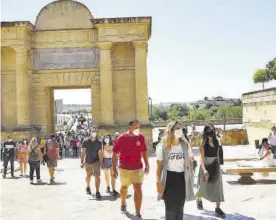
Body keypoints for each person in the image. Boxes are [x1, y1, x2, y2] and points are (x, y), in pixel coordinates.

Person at [156, 121, 194, 220]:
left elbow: (191, 160)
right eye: (177, 128)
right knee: (170, 210)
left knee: (180, 208)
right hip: (169, 179)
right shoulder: (163, 147)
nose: (180, 130)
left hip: (182, 179)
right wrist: (158, 182)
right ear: (170, 130)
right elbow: (159, 166)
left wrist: (189, 174)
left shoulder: (185, 145)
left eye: (180, 128)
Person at [112, 120, 149, 219]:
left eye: (138, 127)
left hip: (137, 168)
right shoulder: (121, 138)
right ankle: (123, 202)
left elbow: (144, 151)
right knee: (124, 188)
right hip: (124, 169)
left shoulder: (140, 137)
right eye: (135, 127)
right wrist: (113, 169)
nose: (137, 129)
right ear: (130, 127)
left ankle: (137, 212)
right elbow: (114, 153)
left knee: (138, 189)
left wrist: (147, 164)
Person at [196, 124, 225, 218]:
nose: (210, 131)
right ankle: (199, 199)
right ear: (205, 131)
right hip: (205, 164)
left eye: (212, 129)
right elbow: (201, 158)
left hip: (215, 164)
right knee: (203, 186)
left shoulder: (217, 140)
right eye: (208, 129)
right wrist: (204, 170)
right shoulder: (203, 142)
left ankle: (218, 208)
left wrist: (219, 130)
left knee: (218, 186)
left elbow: (223, 135)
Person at [81, 129, 103, 199]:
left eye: (95, 132)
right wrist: (82, 162)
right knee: (88, 176)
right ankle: (88, 186)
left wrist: (101, 162)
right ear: (90, 133)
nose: (94, 133)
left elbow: (100, 153)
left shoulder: (99, 142)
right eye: (93, 132)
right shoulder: (85, 142)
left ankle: (97, 191)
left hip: (96, 161)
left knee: (97, 176)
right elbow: (83, 152)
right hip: (88, 161)